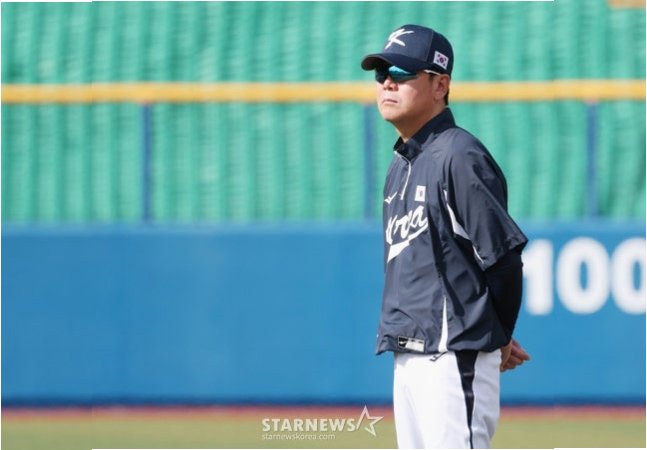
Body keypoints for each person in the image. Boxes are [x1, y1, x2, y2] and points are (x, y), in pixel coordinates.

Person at [361, 24, 531, 449]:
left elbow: (504, 260)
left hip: (451, 359)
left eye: (402, 72)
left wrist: (497, 336)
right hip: (410, 356)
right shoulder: (401, 164)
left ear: (441, 85)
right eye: (381, 73)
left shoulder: (458, 154)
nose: (387, 83)